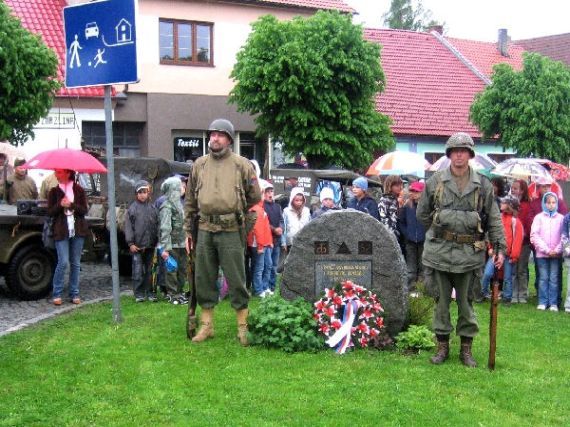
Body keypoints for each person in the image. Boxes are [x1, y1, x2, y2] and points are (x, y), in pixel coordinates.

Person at [417, 132, 505, 368]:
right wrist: (442, 231)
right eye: (455, 151)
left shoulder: (483, 185)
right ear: (449, 155)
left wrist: (499, 249)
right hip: (439, 254)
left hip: (469, 255)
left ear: (469, 155)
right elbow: (422, 214)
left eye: (463, 151)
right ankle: (442, 346)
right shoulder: (435, 182)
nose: (459, 155)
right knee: (441, 303)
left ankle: (466, 350)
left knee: (466, 304)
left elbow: (494, 219)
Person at [183, 118, 261, 346]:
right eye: (212, 134)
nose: (214, 138)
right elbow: (190, 201)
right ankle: (206, 326)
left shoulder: (241, 164)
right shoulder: (199, 164)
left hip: (231, 229)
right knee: (204, 278)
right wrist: (189, 231)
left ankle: (242, 328)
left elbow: (254, 195)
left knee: (236, 278)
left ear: (228, 139)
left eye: (219, 134)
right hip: (204, 229)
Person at [47, 169, 89, 305]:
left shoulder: (79, 190)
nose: (56, 174)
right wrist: (60, 205)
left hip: (77, 230)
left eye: (59, 172)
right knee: (63, 261)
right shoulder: (54, 191)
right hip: (61, 230)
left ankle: (74, 292)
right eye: (56, 172)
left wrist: (71, 204)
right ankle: (57, 292)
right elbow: (50, 212)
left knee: (75, 263)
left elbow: (84, 210)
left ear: (67, 173)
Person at [480, 195, 523, 305]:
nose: (500, 204)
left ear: (509, 205)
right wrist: (490, 247)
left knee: (507, 277)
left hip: (508, 255)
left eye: (503, 202)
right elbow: (490, 234)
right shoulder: (497, 218)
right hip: (496, 252)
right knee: (487, 273)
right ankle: (482, 293)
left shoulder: (515, 221)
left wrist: (514, 255)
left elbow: (517, 240)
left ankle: (507, 298)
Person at [124, 180, 159, 302]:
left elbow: (157, 225)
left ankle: (151, 292)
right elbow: (128, 227)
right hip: (137, 246)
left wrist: (158, 241)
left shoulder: (153, 208)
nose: (143, 195)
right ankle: (139, 293)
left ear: (148, 193)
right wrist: (131, 243)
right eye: (140, 192)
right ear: (136, 194)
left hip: (151, 245)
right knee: (137, 271)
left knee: (151, 271)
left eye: (145, 192)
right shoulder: (132, 209)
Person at [530, 191, 563, 311]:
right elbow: (534, 235)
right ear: (544, 203)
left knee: (554, 278)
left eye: (553, 202)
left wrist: (557, 250)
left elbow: (563, 236)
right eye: (548, 202)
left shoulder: (561, 218)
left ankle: (553, 303)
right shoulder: (538, 218)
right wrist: (546, 250)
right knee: (543, 278)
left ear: (556, 203)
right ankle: (543, 301)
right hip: (542, 254)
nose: (551, 205)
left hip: (556, 254)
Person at [159, 176, 188, 305]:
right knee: (172, 270)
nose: (183, 188)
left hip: (182, 244)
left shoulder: (179, 204)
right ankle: (172, 294)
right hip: (172, 244)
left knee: (182, 269)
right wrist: (165, 248)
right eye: (180, 186)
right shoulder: (167, 206)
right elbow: (165, 228)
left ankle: (180, 291)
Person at [398, 181, 426, 293]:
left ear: (422, 192)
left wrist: (426, 234)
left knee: (423, 266)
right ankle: (410, 289)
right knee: (411, 267)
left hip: (423, 241)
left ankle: (421, 289)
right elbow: (401, 222)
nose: (413, 193)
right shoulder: (407, 206)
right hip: (410, 241)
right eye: (412, 190)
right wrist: (407, 234)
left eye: (416, 191)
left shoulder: (426, 207)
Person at [248, 180, 274, 298]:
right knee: (259, 267)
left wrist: (270, 242)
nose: (265, 195)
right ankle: (258, 290)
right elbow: (257, 230)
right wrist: (260, 246)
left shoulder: (260, 208)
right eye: (263, 193)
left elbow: (266, 229)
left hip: (265, 243)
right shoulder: (256, 209)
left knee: (267, 265)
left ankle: (264, 287)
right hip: (259, 244)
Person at [511, 179, 532, 303]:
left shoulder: (526, 205)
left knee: (521, 269)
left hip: (523, 242)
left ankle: (522, 293)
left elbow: (526, 223)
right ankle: (513, 293)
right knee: (513, 269)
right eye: (512, 188)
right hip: (512, 242)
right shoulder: (510, 203)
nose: (513, 190)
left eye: (516, 188)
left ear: (522, 191)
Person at [262, 180, 285, 293]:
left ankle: (272, 286)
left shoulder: (277, 206)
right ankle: (264, 286)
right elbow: (264, 222)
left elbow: (281, 220)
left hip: (277, 240)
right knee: (267, 265)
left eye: (271, 191)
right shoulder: (262, 206)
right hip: (267, 240)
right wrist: (274, 229)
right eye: (268, 191)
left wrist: (281, 228)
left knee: (275, 265)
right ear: (263, 193)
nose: (270, 194)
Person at [283, 187, 311, 251]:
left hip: (303, 243)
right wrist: (284, 242)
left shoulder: (306, 211)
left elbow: (310, 227)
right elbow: (284, 228)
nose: (299, 202)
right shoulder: (286, 211)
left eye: (301, 200)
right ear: (292, 200)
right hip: (291, 243)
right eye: (297, 200)